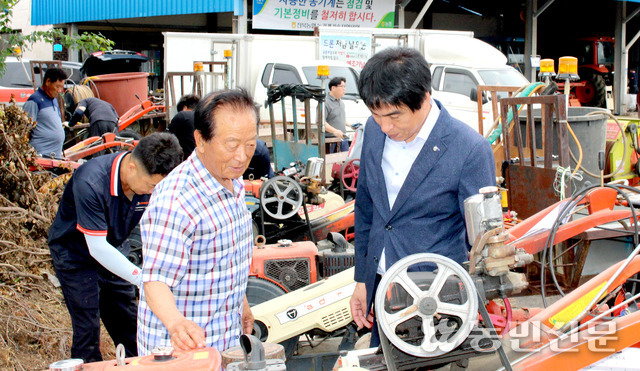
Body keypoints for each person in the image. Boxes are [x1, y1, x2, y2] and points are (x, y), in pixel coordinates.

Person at [348, 47, 496, 347]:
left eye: (394, 116)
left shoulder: (469, 149)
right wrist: (362, 280)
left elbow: (483, 240)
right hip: (382, 283)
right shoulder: (375, 133)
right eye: (376, 116)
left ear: (425, 97)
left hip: (434, 294)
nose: (385, 127)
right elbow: (366, 210)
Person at [137, 89, 257, 355]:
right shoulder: (177, 200)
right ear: (201, 140)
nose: (242, 156)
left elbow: (224, 260)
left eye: (250, 145)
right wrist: (176, 323)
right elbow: (156, 279)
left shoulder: (232, 183)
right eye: (232, 144)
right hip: (183, 350)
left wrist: (241, 303)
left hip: (223, 341)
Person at [47, 132, 183, 362]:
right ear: (131, 168)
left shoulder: (148, 185)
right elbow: (97, 247)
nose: (153, 192)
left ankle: (138, 366)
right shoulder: (90, 182)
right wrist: (144, 279)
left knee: (128, 322)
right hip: (76, 256)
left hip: (115, 247)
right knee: (87, 328)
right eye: (151, 185)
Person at [23, 67, 68, 158]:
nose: (59, 91)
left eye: (61, 87)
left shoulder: (54, 100)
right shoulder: (34, 101)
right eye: (57, 86)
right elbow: (25, 130)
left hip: (55, 155)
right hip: (41, 156)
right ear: (48, 82)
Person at [167, 94, 200, 158]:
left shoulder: (183, 115)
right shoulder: (204, 117)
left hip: (188, 161)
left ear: (184, 108)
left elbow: (164, 138)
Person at [325, 76, 350, 153]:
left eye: (345, 86)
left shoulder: (341, 102)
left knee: (345, 162)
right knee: (332, 164)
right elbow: (321, 122)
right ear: (333, 88)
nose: (344, 89)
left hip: (343, 139)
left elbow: (339, 117)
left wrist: (351, 125)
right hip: (331, 141)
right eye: (342, 86)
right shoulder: (325, 102)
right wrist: (334, 131)